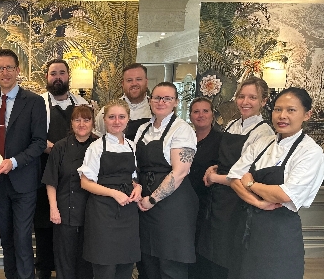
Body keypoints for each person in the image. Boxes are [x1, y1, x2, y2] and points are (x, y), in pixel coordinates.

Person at [227, 87, 324, 278]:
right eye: (278, 109)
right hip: (245, 229)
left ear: (307, 114)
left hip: (279, 237)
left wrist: (251, 184)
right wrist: (259, 202)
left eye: (291, 110)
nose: (282, 116)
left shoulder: (310, 152)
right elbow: (233, 177)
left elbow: (285, 195)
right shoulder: (263, 143)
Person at [197, 77, 275, 279]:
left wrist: (215, 177)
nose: (245, 102)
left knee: (228, 253)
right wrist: (215, 167)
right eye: (241, 96)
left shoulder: (264, 132)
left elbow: (245, 173)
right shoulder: (232, 124)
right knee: (210, 250)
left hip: (237, 200)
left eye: (252, 97)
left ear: (264, 101)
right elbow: (225, 159)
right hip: (217, 199)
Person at [0, 48, 47, 279]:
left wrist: (14, 161)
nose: (5, 72)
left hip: (24, 183)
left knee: (22, 238)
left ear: (17, 70)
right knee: (6, 238)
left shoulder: (34, 101)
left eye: (9, 67)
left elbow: (39, 142)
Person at [135, 82, 198, 279]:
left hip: (172, 207)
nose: (161, 102)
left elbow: (179, 172)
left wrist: (152, 199)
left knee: (170, 264)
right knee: (147, 262)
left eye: (167, 98)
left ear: (176, 102)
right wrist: (137, 188)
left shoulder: (182, 130)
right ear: (150, 100)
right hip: (143, 204)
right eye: (157, 98)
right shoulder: (143, 129)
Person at [34, 58, 88, 279]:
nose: (57, 77)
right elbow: (35, 137)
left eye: (62, 73)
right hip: (45, 174)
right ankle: (45, 271)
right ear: (47, 78)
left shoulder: (82, 103)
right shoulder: (38, 105)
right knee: (45, 226)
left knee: (75, 229)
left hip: (77, 179)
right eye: (53, 73)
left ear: (68, 77)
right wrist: (58, 152)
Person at [79, 100, 143, 279]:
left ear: (128, 119)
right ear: (104, 120)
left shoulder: (132, 146)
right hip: (103, 213)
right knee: (104, 268)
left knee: (126, 265)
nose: (117, 121)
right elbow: (85, 183)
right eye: (112, 117)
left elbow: (133, 177)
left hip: (128, 212)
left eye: (121, 117)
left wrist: (138, 187)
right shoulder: (96, 147)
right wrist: (114, 193)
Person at [42, 105, 97, 279]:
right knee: (64, 260)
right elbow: (51, 181)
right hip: (64, 211)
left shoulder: (99, 146)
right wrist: (53, 208)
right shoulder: (60, 147)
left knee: (87, 260)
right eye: (77, 119)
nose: (82, 124)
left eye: (86, 120)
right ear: (71, 123)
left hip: (93, 212)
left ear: (93, 123)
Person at [186, 97, 223, 279]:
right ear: (190, 116)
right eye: (196, 111)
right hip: (186, 204)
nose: (201, 115)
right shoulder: (185, 139)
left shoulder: (221, 140)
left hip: (209, 206)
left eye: (205, 111)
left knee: (205, 253)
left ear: (212, 115)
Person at [95, 63, 151, 140]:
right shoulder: (107, 111)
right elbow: (98, 139)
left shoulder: (156, 110)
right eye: (129, 80)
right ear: (123, 84)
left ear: (146, 82)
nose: (134, 83)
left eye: (139, 79)